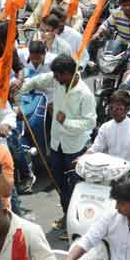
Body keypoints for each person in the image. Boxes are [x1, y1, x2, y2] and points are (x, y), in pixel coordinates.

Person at [16, 54, 95, 226]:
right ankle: (67, 216)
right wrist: (19, 95)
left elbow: (90, 122)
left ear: (68, 73)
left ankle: (77, 221)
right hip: (56, 144)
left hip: (74, 147)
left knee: (75, 186)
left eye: (58, 76)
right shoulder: (57, 80)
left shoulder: (85, 94)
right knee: (59, 183)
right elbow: (35, 82)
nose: (55, 79)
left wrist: (66, 122)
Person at [83, 89, 130, 172]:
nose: (114, 111)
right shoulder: (105, 127)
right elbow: (96, 148)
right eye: (111, 108)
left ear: (127, 109)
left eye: (118, 108)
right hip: (111, 172)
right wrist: (83, 157)